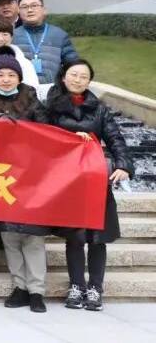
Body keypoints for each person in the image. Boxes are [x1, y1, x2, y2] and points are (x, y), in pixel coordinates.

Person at [45, 60, 132, 312]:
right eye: (74, 74)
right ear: (64, 77)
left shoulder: (99, 108)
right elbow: (42, 135)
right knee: (75, 236)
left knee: (97, 237)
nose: (78, 80)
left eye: (84, 76)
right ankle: (76, 285)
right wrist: (70, 137)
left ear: (89, 81)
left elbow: (115, 138)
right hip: (67, 179)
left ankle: (95, 288)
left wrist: (123, 165)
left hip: (95, 177)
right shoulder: (50, 106)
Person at [0, 47, 50, 313]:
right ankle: (20, 286)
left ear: (19, 77)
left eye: (11, 75)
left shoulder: (32, 100)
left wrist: (15, 125)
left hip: (30, 175)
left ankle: (37, 290)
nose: (5, 79)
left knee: (33, 236)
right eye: (0, 74)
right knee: (9, 236)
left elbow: (46, 133)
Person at [13, 0, 79, 86]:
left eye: (34, 5)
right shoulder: (12, 36)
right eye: (24, 7)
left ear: (44, 10)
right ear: (18, 12)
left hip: (54, 90)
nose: (30, 10)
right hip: (22, 90)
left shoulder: (59, 34)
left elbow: (73, 65)